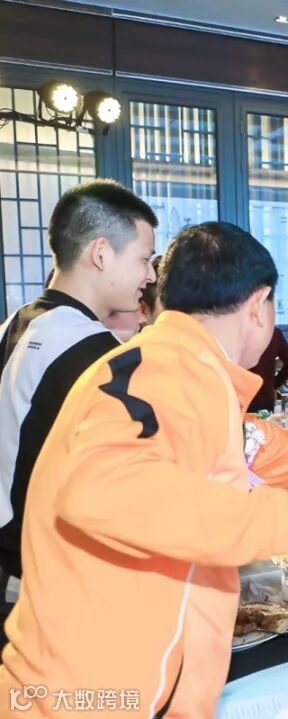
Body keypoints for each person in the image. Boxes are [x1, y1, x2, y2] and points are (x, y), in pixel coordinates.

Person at [0, 221, 288, 718]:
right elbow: (98, 487)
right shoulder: (159, 371)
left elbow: (262, 446)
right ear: (259, 304)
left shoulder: (189, 371)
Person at [1, 180, 158, 588]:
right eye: (144, 259)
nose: (150, 274)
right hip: (43, 571)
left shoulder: (15, 324)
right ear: (101, 254)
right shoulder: (96, 352)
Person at [247, 327, 288, 413]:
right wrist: (273, 385)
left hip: (237, 397)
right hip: (264, 398)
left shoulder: (235, 331)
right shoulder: (273, 332)